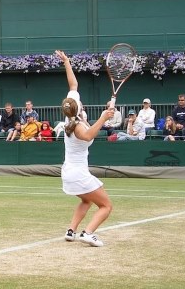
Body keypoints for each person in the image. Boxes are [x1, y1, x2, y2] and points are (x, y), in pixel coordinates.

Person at [57, 50, 114, 247]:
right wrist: (104, 118)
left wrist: (66, 62)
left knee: (86, 201)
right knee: (106, 206)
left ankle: (70, 231)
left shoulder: (70, 111)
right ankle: (88, 233)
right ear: (78, 108)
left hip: (69, 173)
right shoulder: (79, 127)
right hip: (78, 174)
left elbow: (73, 84)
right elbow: (89, 135)